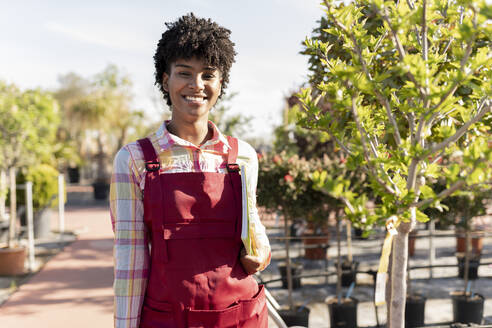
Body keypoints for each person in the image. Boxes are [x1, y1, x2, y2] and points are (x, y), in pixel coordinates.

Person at [110, 13, 271, 328]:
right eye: (184, 73)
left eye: (208, 75)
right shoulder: (135, 159)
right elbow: (130, 262)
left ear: (220, 83)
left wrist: (262, 254)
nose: (196, 85)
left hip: (241, 316)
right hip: (171, 319)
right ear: (165, 79)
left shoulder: (243, 157)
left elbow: (255, 231)